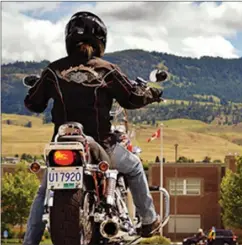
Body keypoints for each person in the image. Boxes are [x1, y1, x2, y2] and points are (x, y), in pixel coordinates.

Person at [23, 11, 163, 245]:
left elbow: (33, 104)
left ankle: (30, 241)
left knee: (44, 190)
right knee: (135, 167)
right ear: (100, 40)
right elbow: (131, 98)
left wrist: (39, 87)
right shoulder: (107, 69)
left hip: (63, 145)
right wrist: (150, 93)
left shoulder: (53, 71)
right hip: (102, 146)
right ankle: (149, 220)